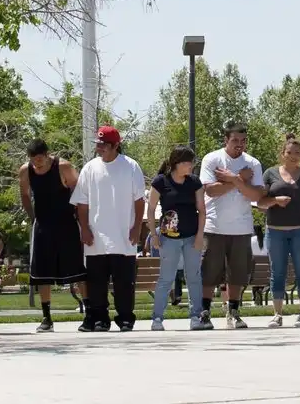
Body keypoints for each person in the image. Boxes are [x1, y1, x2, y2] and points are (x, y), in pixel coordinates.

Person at [70, 125, 145, 332]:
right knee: (96, 284)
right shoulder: (90, 168)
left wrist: (137, 227)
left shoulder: (131, 166)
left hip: (124, 236)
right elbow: (81, 203)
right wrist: (84, 228)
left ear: (115, 146)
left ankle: (126, 318)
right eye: (98, 144)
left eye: (103, 145)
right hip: (96, 237)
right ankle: (100, 319)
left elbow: (139, 201)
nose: (99, 148)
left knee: (124, 283)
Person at [199, 122, 265, 330]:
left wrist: (233, 179)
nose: (239, 144)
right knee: (209, 272)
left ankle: (233, 312)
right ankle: (204, 312)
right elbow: (211, 191)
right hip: (214, 226)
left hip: (242, 228)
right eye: (235, 140)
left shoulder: (253, 163)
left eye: (243, 140)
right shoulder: (212, 159)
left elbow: (257, 195)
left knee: (237, 273)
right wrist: (240, 181)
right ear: (226, 140)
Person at [19, 138, 87, 333]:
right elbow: (24, 194)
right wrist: (32, 216)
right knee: (42, 273)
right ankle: (47, 317)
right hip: (43, 224)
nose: (37, 163)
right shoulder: (26, 170)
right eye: (33, 160)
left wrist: (75, 212)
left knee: (78, 269)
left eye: (40, 159)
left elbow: (78, 189)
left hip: (66, 223)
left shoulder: (63, 166)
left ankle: (89, 312)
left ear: (47, 154)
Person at [258, 135, 300, 328]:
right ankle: (277, 314)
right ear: (282, 154)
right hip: (275, 231)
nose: (293, 156)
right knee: (277, 273)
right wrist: (275, 201)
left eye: (297, 153)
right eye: (289, 152)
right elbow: (260, 203)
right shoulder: (270, 173)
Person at [147, 145, 205, 331]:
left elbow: (202, 210)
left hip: (191, 236)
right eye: (188, 162)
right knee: (166, 277)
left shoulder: (195, 182)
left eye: (192, 162)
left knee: (194, 276)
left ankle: (196, 315)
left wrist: (199, 236)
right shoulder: (160, 182)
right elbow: (150, 209)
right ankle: (157, 318)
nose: (191, 166)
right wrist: (154, 236)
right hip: (168, 237)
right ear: (177, 163)